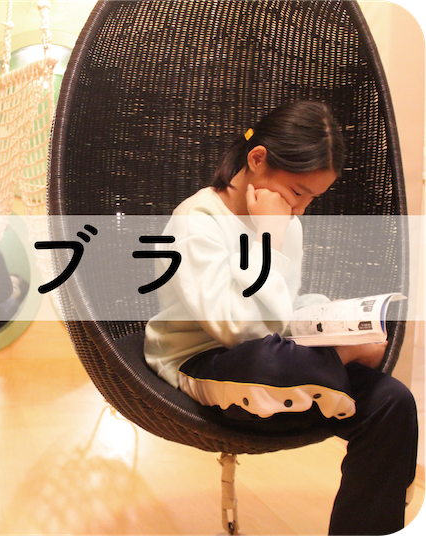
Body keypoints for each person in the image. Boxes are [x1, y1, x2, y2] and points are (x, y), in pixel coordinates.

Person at [143, 100, 417, 536]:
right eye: (297, 192)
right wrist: (268, 238)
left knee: (393, 401)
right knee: (269, 363)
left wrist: (335, 321)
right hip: (206, 359)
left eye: (311, 199)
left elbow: (280, 312)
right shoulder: (197, 221)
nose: (301, 209)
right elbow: (237, 330)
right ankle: (334, 364)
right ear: (257, 159)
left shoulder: (288, 223)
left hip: (283, 361)